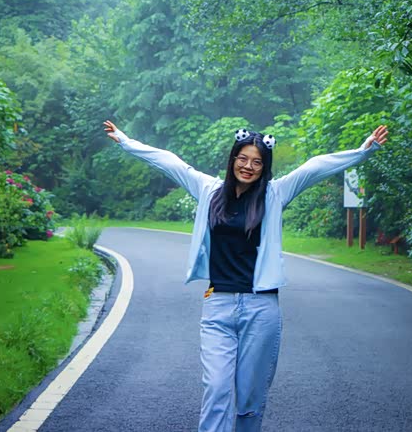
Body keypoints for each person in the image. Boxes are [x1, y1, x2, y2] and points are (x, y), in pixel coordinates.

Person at [103, 119, 388, 432]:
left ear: (264, 167)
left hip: (261, 308)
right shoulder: (209, 190)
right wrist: (127, 142)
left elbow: (314, 167)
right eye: (243, 159)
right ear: (233, 159)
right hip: (218, 305)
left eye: (257, 162)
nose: (248, 166)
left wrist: (363, 151)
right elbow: (170, 162)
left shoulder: (275, 194)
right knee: (216, 388)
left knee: (250, 400)